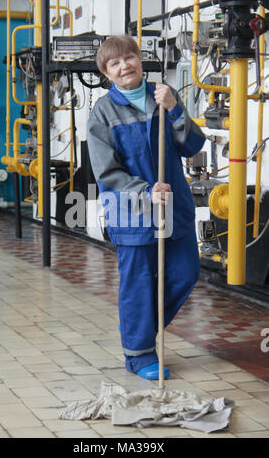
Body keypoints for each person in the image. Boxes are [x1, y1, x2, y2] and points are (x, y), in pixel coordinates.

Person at [87, 35, 205, 380]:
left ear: (140, 59)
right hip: (131, 211)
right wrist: (143, 191)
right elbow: (106, 171)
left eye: (129, 57)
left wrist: (175, 109)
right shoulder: (102, 113)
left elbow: (191, 145)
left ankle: (138, 331)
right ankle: (138, 355)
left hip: (173, 205)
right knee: (139, 282)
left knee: (185, 272)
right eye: (115, 63)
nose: (125, 66)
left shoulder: (163, 94)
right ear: (106, 73)